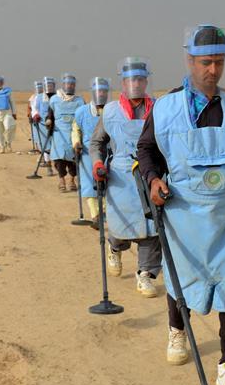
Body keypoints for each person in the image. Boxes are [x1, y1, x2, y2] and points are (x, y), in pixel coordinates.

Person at [136, 25, 225, 385]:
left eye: (219, 62)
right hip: (184, 212)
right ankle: (178, 328)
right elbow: (146, 152)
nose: (213, 70)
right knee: (182, 280)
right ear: (190, 61)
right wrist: (154, 178)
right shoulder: (167, 107)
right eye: (206, 62)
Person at [89, 58, 162, 296]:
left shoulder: (159, 108)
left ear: (146, 81)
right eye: (132, 80)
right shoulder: (110, 111)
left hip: (150, 174)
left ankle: (145, 275)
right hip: (121, 178)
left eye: (141, 79)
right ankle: (115, 247)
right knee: (122, 227)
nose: (137, 84)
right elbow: (97, 142)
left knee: (153, 229)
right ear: (123, 83)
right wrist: (98, 162)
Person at [72, 77, 109, 228]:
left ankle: (105, 213)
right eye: (98, 91)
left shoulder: (113, 109)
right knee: (89, 184)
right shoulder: (81, 112)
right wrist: (76, 143)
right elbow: (76, 129)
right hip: (88, 154)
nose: (101, 93)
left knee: (108, 184)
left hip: (108, 153)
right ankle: (96, 215)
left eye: (104, 91)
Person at [45, 73, 85, 193]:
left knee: (74, 158)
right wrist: (48, 121)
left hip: (74, 134)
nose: (70, 86)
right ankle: (61, 179)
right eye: (68, 83)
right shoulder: (54, 100)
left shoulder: (80, 101)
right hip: (59, 134)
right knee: (59, 159)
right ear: (63, 84)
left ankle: (72, 180)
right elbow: (50, 115)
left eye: (72, 84)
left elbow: (84, 117)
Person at [32, 77, 56, 175]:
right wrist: (35, 115)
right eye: (47, 85)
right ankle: (49, 165)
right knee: (46, 146)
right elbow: (34, 108)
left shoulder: (58, 96)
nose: (49, 87)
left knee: (55, 145)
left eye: (51, 85)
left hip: (56, 125)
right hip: (43, 125)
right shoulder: (39, 97)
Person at [26, 81, 43, 154]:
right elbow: (29, 107)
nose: (39, 89)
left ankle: (43, 149)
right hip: (34, 118)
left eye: (40, 87)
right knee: (35, 133)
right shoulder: (32, 97)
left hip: (42, 118)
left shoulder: (44, 96)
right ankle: (38, 148)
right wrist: (29, 115)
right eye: (37, 87)